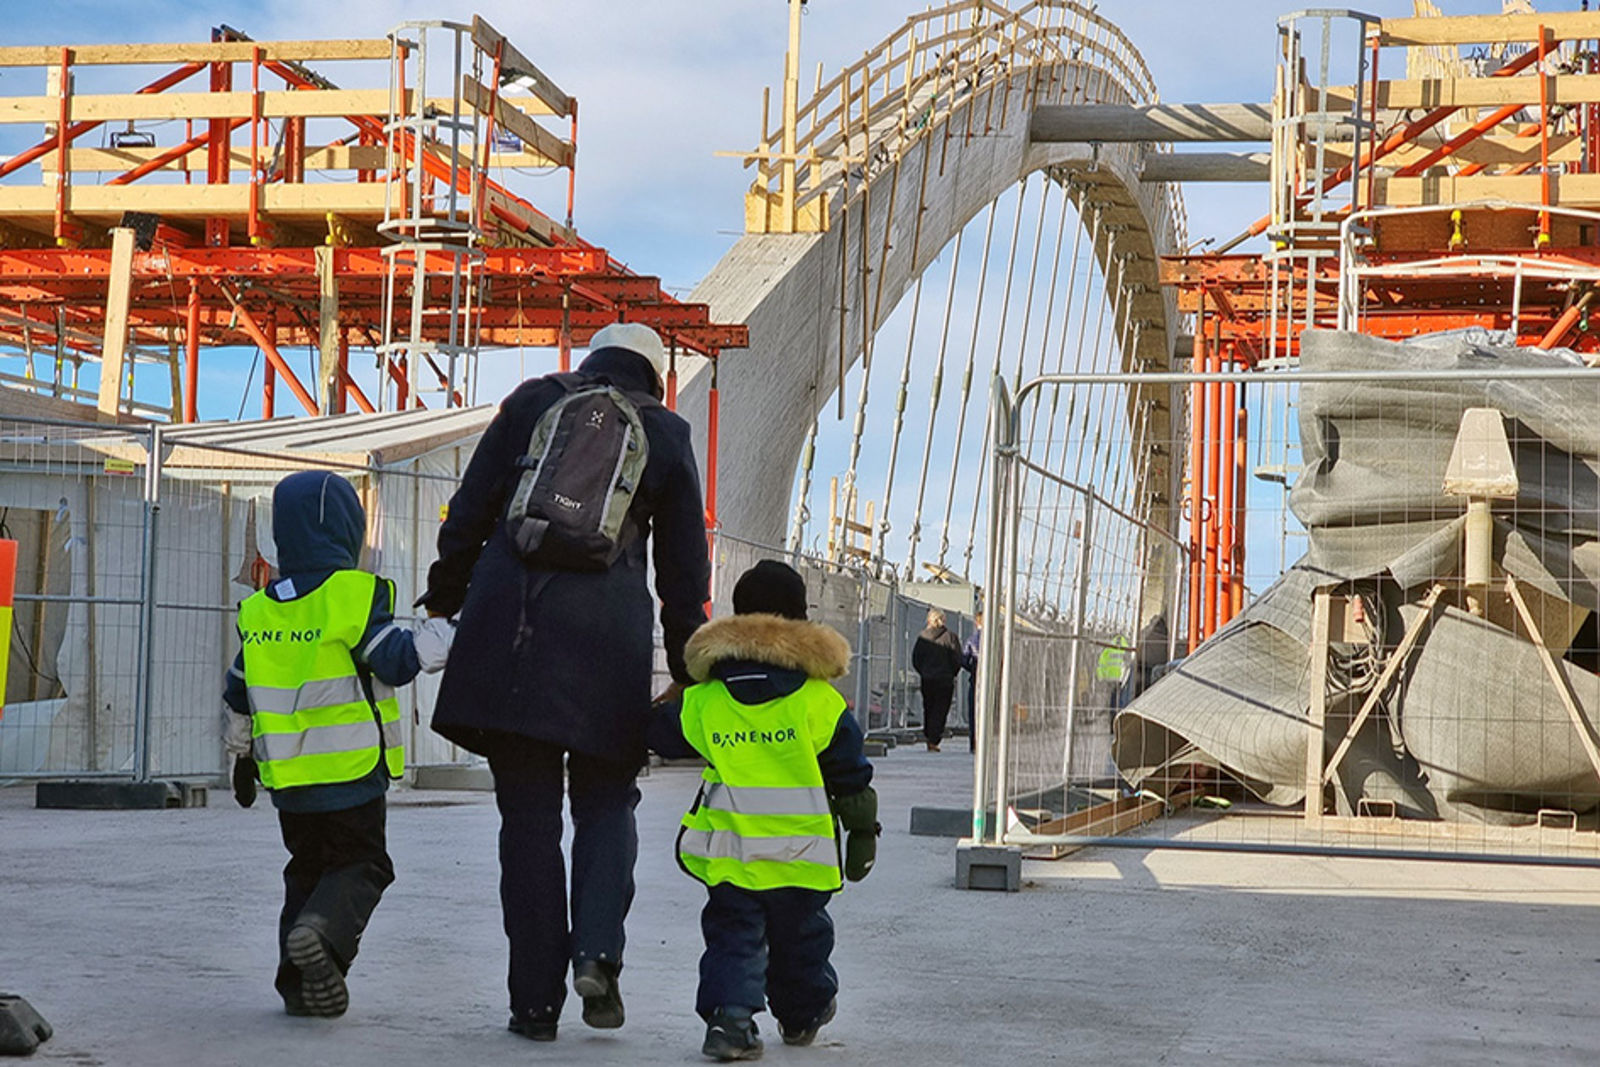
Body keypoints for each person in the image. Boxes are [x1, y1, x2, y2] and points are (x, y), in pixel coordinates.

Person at [418, 322, 711, 1042]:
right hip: (605, 642)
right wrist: (685, 670)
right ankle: (598, 953)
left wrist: (449, 593)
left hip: (511, 629)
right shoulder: (666, 434)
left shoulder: (529, 402)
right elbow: (683, 575)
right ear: (656, 372)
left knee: (528, 820)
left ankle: (532, 1001)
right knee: (608, 804)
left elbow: (471, 509)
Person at [223, 470, 453, 1018]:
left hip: (291, 784)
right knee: (364, 864)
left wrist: (240, 756)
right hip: (350, 771)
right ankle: (321, 935)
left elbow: (239, 691)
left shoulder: (261, 609)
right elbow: (394, 661)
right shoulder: (351, 596)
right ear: (347, 531)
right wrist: (444, 633)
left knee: (306, 868)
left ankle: (297, 987)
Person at [648, 560, 878, 1062]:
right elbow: (850, 773)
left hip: (731, 854)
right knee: (803, 940)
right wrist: (864, 831)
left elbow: (660, 732)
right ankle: (802, 1014)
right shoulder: (820, 702)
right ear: (800, 621)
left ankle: (730, 1021)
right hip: (801, 857)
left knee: (733, 936)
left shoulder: (706, 701)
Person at [911, 608, 963, 752]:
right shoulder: (950, 637)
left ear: (929, 620)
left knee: (928, 707)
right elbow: (957, 658)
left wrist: (923, 672)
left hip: (927, 678)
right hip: (945, 679)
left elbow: (916, 658)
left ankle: (929, 735)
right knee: (941, 709)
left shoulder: (922, 637)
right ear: (943, 620)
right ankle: (934, 738)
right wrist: (952, 673)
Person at [961, 610, 983, 754]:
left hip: (976, 679)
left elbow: (964, 659)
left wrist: (973, 669)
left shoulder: (972, 639)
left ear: (977, 622)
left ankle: (973, 743)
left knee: (973, 712)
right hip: (993, 683)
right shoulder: (998, 638)